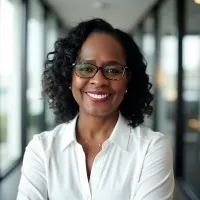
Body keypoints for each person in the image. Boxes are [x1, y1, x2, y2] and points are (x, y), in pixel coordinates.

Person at [17, 18, 174, 200]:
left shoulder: (151, 149)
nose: (98, 81)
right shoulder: (41, 150)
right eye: (85, 68)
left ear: (128, 79)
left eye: (113, 71)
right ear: (69, 77)